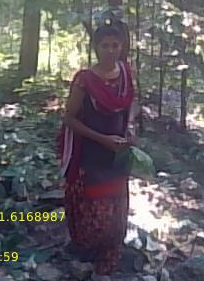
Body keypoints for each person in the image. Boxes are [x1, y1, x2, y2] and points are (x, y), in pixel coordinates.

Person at [57, 20, 135, 276]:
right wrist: (102, 139)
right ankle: (85, 250)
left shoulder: (125, 73)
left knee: (116, 207)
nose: (110, 50)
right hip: (89, 153)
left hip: (117, 154)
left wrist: (129, 130)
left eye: (115, 45)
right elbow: (69, 118)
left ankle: (109, 254)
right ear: (96, 47)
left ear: (122, 47)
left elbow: (128, 107)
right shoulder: (84, 80)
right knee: (93, 209)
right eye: (105, 45)